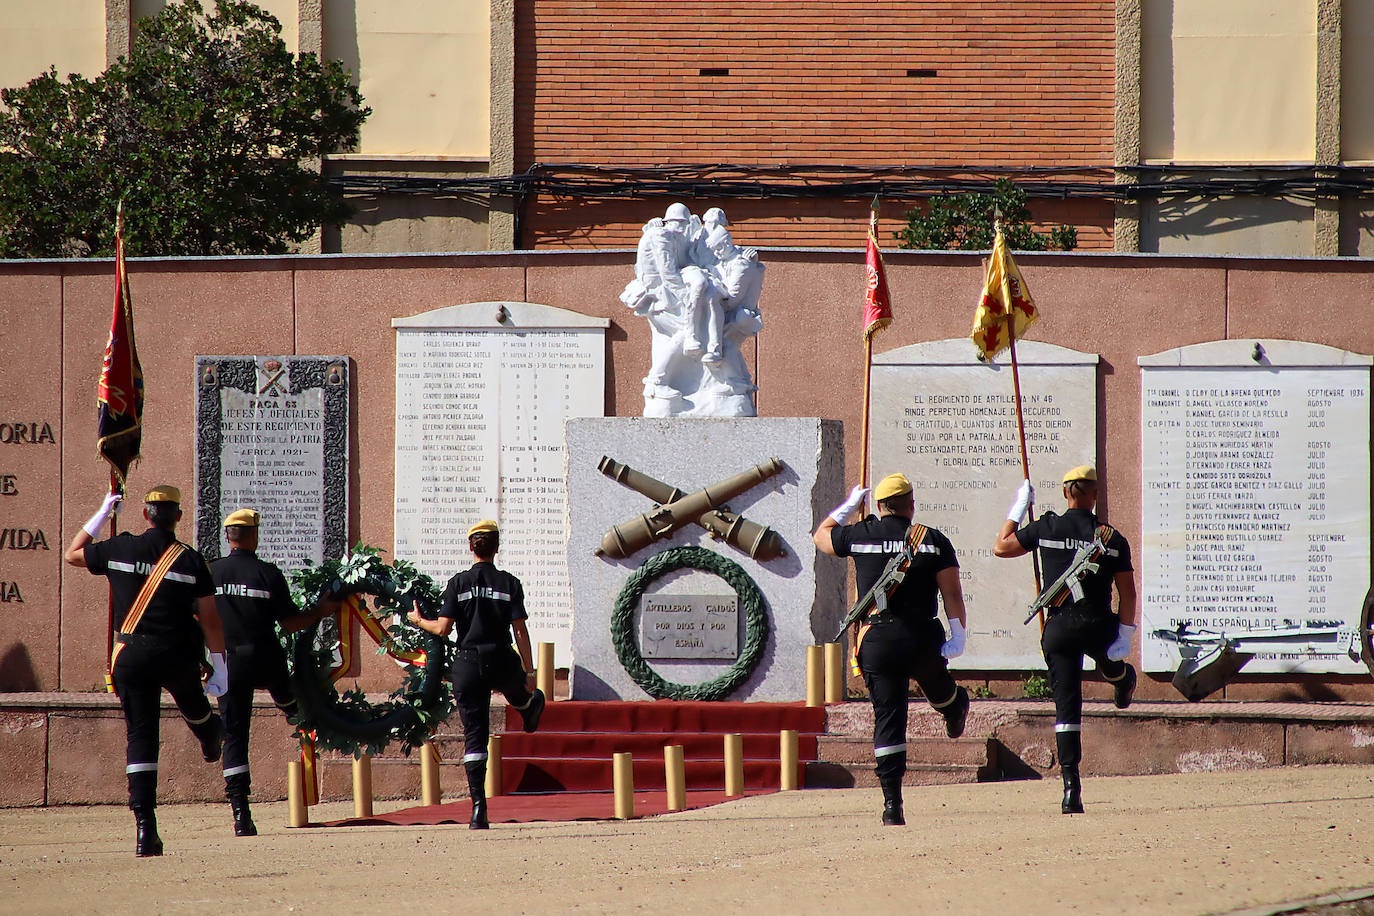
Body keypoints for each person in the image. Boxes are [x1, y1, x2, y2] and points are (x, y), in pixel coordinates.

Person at [64, 485, 229, 857]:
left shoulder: (119, 548)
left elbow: (72, 553)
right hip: (174, 653)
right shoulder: (190, 561)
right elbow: (211, 620)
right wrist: (220, 666)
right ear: (178, 518)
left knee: (141, 738)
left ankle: (145, 827)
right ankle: (208, 735)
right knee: (195, 706)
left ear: (144, 515)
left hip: (130, 656)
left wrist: (103, 512)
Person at [813, 473, 971, 827]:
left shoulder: (860, 534)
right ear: (911, 505)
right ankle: (953, 706)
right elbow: (953, 594)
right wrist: (958, 633)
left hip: (877, 639)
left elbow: (821, 536)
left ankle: (891, 803)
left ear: (879, 506)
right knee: (940, 690)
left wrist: (846, 508)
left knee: (888, 716)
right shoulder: (931, 540)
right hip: (920, 637)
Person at [993, 466, 1137, 814]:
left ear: (1065, 493)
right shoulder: (1110, 537)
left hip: (1059, 627)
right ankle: (1120, 676)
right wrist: (1125, 635)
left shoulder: (1047, 527)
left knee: (1066, 707)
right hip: (1098, 623)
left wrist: (1017, 507)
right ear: (1095, 495)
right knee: (1110, 664)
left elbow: (1001, 546)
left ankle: (1071, 787)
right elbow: (1128, 594)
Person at [407, 519, 545, 830]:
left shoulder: (458, 583)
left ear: (472, 547)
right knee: (521, 692)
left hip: (468, 663)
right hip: (501, 657)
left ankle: (478, 810)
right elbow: (519, 630)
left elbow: (442, 629)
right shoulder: (509, 583)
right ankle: (528, 707)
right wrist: (529, 669)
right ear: (497, 547)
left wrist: (417, 620)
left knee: (475, 736)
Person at [210, 508, 338, 838]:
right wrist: (320, 612)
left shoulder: (211, 573)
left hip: (229, 663)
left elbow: (198, 619)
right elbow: (290, 622)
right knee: (288, 695)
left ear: (228, 537)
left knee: (235, 736)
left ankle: (241, 813)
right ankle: (294, 711)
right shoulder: (267, 574)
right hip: (265, 659)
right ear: (254, 535)